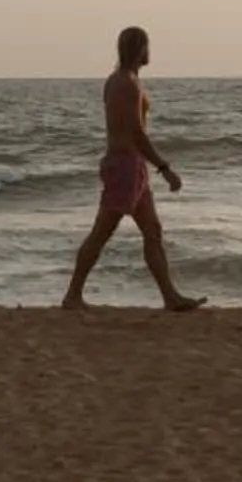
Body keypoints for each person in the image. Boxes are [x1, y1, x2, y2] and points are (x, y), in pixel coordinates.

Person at [61, 25, 205, 310]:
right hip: (125, 166)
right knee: (101, 232)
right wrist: (164, 168)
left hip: (133, 166)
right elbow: (136, 133)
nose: (149, 52)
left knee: (153, 231)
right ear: (139, 49)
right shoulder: (125, 83)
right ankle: (73, 295)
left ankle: (170, 297)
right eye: (146, 46)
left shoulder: (124, 80)